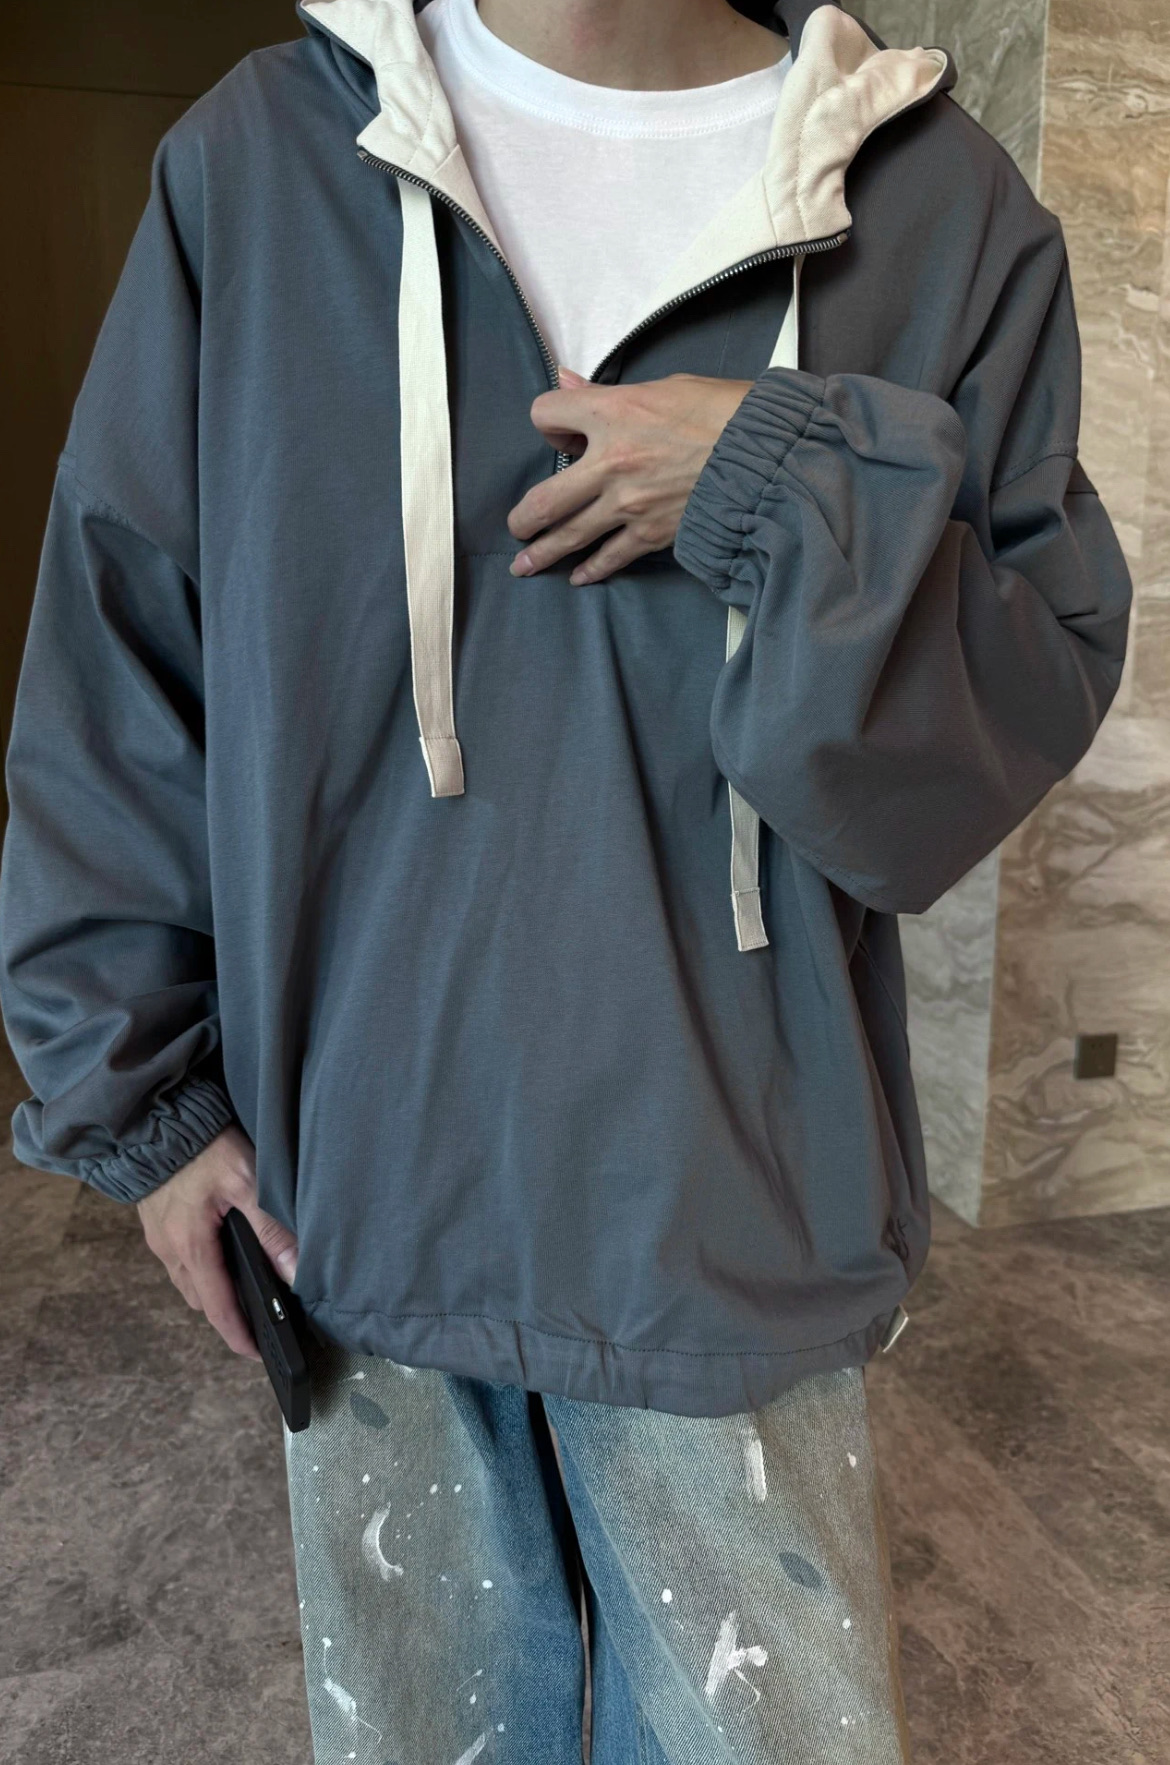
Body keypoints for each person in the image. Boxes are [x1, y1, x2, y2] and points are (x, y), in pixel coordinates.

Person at [0, 0, 1131, 1758]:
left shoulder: (935, 206)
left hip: (730, 1208)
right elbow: (125, 650)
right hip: (363, 1187)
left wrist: (780, 480)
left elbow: (994, 728)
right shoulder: (264, 161)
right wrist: (135, 1096)